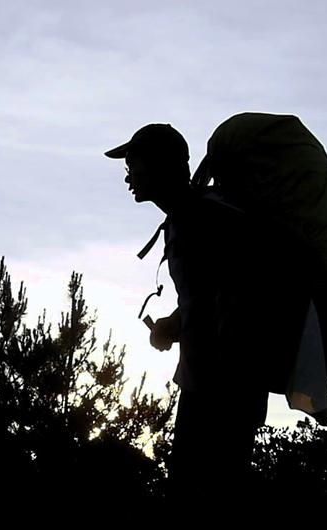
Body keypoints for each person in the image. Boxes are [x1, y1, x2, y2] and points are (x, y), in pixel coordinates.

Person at [106, 124, 268, 497]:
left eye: (134, 162)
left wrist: (226, 374)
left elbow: (240, 291)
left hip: (221, 389)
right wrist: (173, 324)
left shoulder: (207, 216)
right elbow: (208, 295)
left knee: (202, 505)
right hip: (205, 384)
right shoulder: (187, 218)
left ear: (161, 164)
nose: (129, 175)